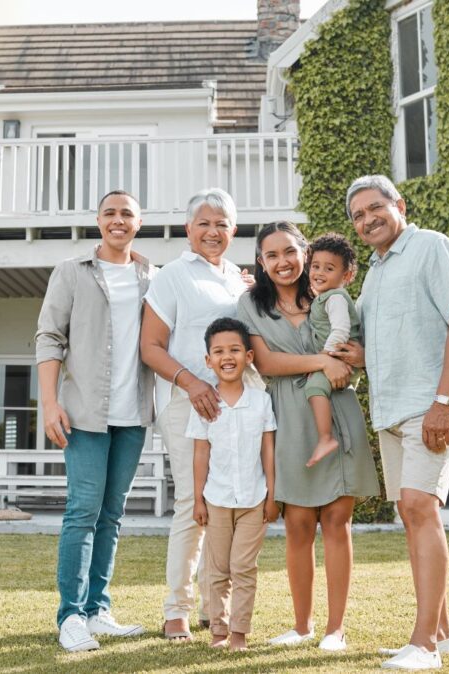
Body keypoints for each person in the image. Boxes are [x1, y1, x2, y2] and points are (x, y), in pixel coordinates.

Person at [334, 175, 449, 671]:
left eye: (375, 208)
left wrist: (444, 401)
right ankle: (440, 635)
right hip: (392, 407)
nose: (367, 219)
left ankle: (422, 646)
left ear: (399, 205)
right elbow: (379, 345)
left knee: (421, 506)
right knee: (411, 512)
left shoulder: (432, 248)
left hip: (430, 403)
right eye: (358, 215)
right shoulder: (375, 273)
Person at [236, 221, 380, 652]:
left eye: (289, 252)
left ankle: (335, 628)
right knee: (297, 524)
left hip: (336, 412)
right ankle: (302, 626)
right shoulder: (250, 304)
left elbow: (355, 350)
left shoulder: (328, 293)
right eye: (271, 255)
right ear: (261, 263)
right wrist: (322, 362)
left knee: (337, 521)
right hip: (288, 419)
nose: (283, 262)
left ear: (304, 251)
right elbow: (264, 362)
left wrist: (352, 361)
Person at [36, 190, 155, 652]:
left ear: (138, 223)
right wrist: (49, 403)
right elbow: (49, 337)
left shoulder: (153, 277)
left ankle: (97, 610)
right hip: (83, 414)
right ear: (98, 221)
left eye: (127, 213)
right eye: (110, 213)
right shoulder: (71, 272)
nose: (118, 220)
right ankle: (70, 616)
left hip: (132, 417)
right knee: (81, 513)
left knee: (112, 514)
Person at [140, 188, 252, 641]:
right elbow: (150, 346)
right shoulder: (170, 277)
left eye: (221, 223)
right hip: (188, 401)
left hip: (234, 406)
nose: (212, 231)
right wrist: (192, 382)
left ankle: (213, 605)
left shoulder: (237, 280)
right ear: (188, 230)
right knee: (194, 503)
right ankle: (175, 609)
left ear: (233, 231)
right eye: (203, 223)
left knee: (225, 502)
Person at [187, 317, 278, 652]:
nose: (227, 357)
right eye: (219, 351)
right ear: (208, 360)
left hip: (254, 499)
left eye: (235, 350)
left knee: (243, 567)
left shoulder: (261, 401)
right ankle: (218, 632)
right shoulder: (205, 405)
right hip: (217, 499)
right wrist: (198, 500)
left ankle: (239, 633)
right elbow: (200, 455)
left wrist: (272, 493)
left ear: (249, 357)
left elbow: (268, 449)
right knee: (217, 570)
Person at [303, 233, 362, 468]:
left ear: (346, 276)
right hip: (333, 358)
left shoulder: (336, 298)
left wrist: (324, 359)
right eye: (315, 266)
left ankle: (326, 438)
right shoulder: (323, 297)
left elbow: (340, 331)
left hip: (339, 357)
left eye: (329, 268)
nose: (319, 273)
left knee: (314, 386)